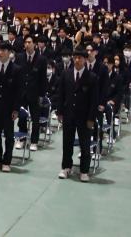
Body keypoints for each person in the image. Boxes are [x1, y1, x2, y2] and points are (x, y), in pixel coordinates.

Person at [56, 48, 98, 182]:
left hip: (84, 116)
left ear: (85, 60)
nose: (77, 60)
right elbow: (61, 94)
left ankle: (84, 170)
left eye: (80, 58)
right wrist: (60, 112)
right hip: (68, 114)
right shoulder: (66, 74)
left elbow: (94, 100)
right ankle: (66, 167)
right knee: (67, 142)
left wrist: (91, 118)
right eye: (75, 57)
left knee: (85, 144)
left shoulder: (92, 77)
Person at [0, 42, 23, 172]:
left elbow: (19, 91)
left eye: (3, 50)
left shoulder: (16, 69)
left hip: (9, 108)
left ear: (9, 52)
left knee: (9, 136)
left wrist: (16, 109)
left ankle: (7, 161)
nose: (0, 53)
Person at [15, 36, 47, 152]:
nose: (27, 44)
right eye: (25, 42)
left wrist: (41, 95)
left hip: (35, 93)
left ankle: (34, 141)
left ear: (34, 44)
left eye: (29, 42)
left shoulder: (41, 59)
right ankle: (22, 139)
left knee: (35, 119)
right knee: (22, 118)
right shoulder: (19, 57)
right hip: (22, 93)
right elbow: (16, 75)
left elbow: (43, 79)